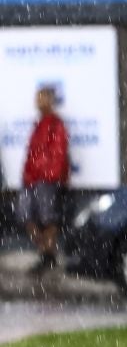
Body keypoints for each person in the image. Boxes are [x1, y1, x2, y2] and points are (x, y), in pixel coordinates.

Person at [19, 85, 70, 275]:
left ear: (49, 100)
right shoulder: (39, 124)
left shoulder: (56, 124)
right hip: (31, 178)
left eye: (41, 98)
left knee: (48, 218)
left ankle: (47, 256)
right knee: (27, 216)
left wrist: (49, 174)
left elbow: (58, 153)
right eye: (37, 98)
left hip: (46, 179)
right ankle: (48, 253)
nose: (38, 102)